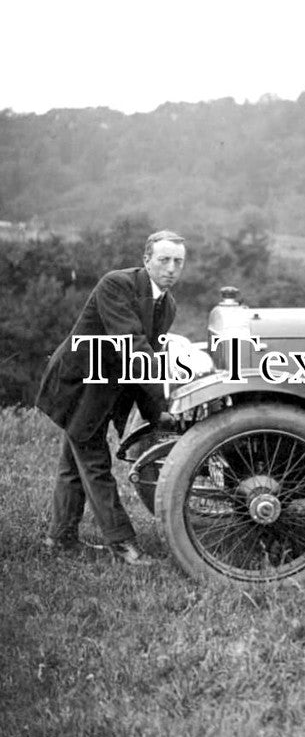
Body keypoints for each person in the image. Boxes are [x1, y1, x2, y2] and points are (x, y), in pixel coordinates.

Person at [35, 230, 187, 564]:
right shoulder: (116, 285)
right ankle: (124, 545)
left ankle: (59, 540)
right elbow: (132, 346)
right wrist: (166, 393)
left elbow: (145, 361)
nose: (171, 268)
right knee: (94, 465)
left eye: (178, 261)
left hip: (105, 390)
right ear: (146, 259)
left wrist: (157, 413)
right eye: (164, 259)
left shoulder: (168, 304)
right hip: (79, 387)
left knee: (73, 465)